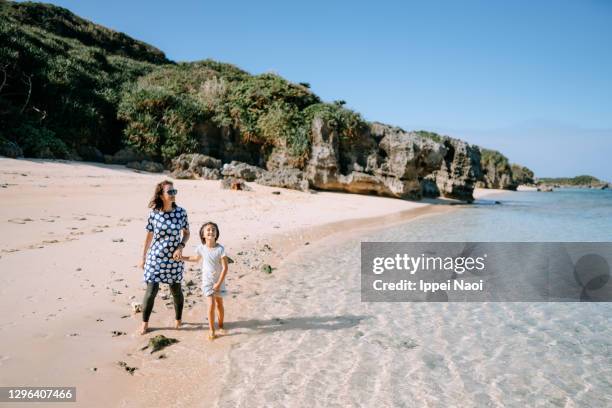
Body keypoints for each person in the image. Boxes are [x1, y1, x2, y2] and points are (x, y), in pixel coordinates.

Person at [138, 180, 190, 335]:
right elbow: (148, 236)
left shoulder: (181, 212)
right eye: (170, 192)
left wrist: (181, 246)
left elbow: (187, 233)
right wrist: (143, 257)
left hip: (174, 259)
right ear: (161, 195)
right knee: (151, 290)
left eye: (175, 192)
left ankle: (178, 320)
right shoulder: (154, 213)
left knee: (176, 290)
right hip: (156, 257)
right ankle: (145, 324)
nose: (173, 195)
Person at [182, 222, 228, 340]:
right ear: (203, 234)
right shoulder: (201, 248)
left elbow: (225, 267)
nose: (211, 231)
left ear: (217, 234)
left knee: (219, 304)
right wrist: (182, 257)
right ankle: (212, 329)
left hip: (219, 281)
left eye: (213, 230)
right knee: (211, 305)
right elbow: (195, 259)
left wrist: (218, 284)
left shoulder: (220, 249)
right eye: (208, 230)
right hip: (207, 281)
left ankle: (221, 325)